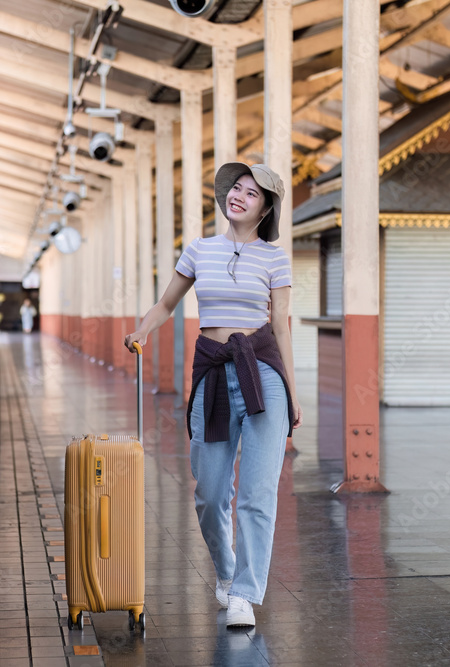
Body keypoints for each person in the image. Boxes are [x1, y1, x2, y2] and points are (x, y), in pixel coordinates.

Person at [124, 162, 303, 629]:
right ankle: (226, 572)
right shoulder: (199, 250)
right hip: (212, 373)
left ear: (265, 209)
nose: (239, 197)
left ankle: (245, 594)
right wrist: (142, 330)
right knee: (209, 493)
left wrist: (293, 391)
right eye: (236, 189)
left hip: (262, 373)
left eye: (252, 194)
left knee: (258, 494)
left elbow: (281, 325)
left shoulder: (275, 258)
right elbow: (166, 304)